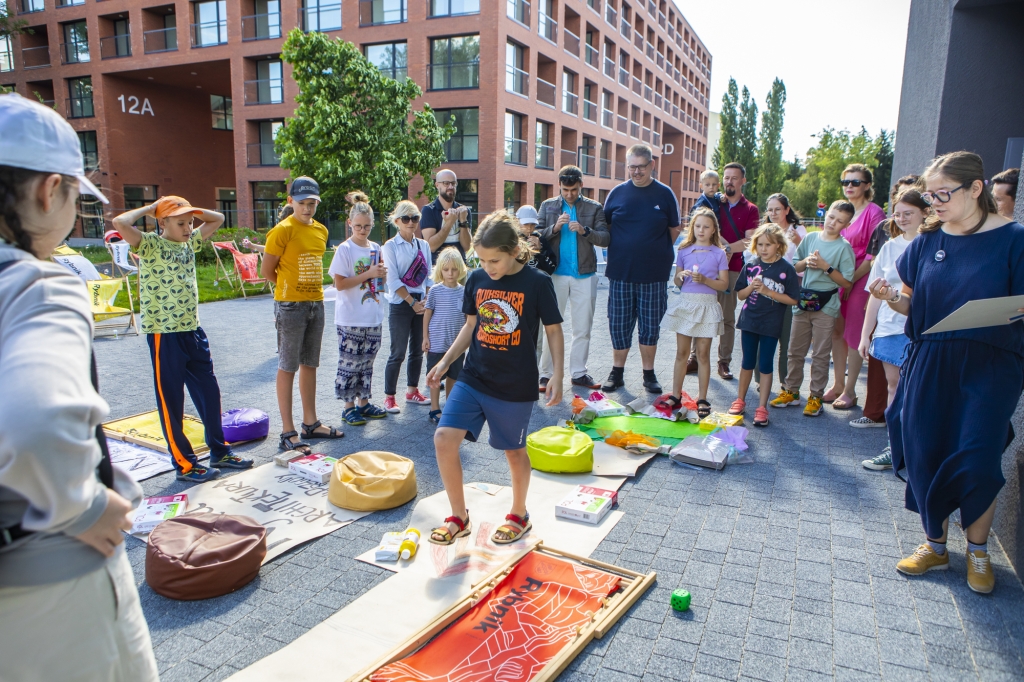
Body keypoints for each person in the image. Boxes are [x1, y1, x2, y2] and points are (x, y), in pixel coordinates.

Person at [0, 93, 158, 680]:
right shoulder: (36, 283)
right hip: (49, 584)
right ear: (48, 191)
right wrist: (85, 503)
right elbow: (35, 419)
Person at [873, 151, 1023, 594]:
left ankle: (978, 551)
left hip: (990, 364)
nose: (933, 203)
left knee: (978, 454)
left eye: (943, 194)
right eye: (929, 195)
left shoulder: (1014, 238)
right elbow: (911, 303)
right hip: (930, 359)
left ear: (976, 189)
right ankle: (935, 545)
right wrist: (890, 298)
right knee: (925, 449)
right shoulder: (925, 243)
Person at [426, 210, 563, 547]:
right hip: (474, 376)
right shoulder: (475, 280)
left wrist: (558, 373)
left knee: (514, 452)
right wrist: (444, 362)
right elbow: (471, 326)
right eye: (483, 260)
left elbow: (554, 331)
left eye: (495, 260)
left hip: (515, 385)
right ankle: (459, 516)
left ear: (515, 250)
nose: (488, 267)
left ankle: (519, 515)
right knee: (443, 438)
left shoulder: (538, 282)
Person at [113, 196, 253, 482]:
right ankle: (186, 464)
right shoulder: (149, 244)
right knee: (171, 400)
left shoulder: (191, 242)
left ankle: (219, 451)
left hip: (193, 331)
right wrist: (151, 210)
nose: (189, 227)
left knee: (209, 392)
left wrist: (193, 209)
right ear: (162, 223)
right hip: (165, 335)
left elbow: (218, 219)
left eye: (190, 222)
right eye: (181, 223)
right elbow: (119, 223)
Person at [262, 177, 344, 453]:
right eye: (302, 203)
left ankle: (311, 423)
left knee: (310, 363)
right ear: (291, 202)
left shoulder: (320, 230)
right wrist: (290, 291)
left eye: (312, 204)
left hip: (315, 303)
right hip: (290, 306)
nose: (307, 209)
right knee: (288, 365)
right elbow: (267, 272)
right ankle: (288, 431)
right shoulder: (282, 230)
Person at [601, 144, 681, 393]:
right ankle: (617, 372)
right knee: (619, 324)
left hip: (654, 276)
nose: (636, 172)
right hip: (621, 273)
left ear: (652, 165)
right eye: (632, 167)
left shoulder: (665, 194)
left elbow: (674, 230)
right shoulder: (616, 194)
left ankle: (649, 374)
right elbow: (607, 228)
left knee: (650, 326)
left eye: (641, 167)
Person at [858, 188, 926, 471]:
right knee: (894, 387)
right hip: (888, 327)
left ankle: (918, 450)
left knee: (918, 390)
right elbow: (874, 293)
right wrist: (866, 334)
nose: (902, 219)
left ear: (925, 212)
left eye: (908, 213)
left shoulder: (933, 243)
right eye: (897, 214)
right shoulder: (889, 247)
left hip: (920, 328)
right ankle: (893, 447)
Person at [770, 201, 856, 416]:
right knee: (794, 350)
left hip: (826, 306)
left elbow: (846, 282)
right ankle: (791, 391)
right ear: (826, 215)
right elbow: (794, 267)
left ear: (847, 224)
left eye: (840, 221)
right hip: (803, 302)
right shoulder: (809, 238)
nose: (833, 223)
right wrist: (806, 262)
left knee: (820, 354)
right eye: (831, 217)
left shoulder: (844, 247)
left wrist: (826, 267)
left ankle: (816, 396)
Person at [537, 165, 610, 392]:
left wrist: (585, 231)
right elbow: (535, 236)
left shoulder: (594, 207)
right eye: (566, 189)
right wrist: (554, 228)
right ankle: (545, 374)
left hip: (584, 274)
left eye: (574, 190)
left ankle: (578, 372)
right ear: (559, 185)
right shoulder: (548, 206)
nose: (570, 194)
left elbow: (606, 238)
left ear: (581, 186)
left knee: (583, 327)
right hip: (555, 274)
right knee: (550, 324)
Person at [826, 164, 886, 410]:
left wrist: (851, 281)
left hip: (861, 277)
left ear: (867, 185)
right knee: (836, 331)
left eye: (856, 182)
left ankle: (850, 390)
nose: (849, 186)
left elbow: (874, 256)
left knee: (853, 334)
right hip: (839, 275)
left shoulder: (874, 212)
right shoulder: (840, 210)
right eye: (846, 182)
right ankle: (838, 383)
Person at [728, 225, 799, 427]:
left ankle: (762, 407)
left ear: (779, 245)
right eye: (760, 244)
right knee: (747, 361)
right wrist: (752, 286)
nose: (764, 248)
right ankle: (740, 400)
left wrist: (769, 292)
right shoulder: (750, 265)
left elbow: (793, 299)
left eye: (768, 244)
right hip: (749, 320)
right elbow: (740, 294)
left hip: (771, 323)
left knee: (766, 363)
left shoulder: (786, 269)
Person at [327, 191, 389, 426]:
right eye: (358, 226)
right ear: (349, 224)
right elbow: (340, 284)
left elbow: (379, 282)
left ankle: (363, 403)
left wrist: (380, 276)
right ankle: (348, 406)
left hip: (372, 314)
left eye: (367, 226)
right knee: (349, 362)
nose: (363, 231)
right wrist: (369, 273)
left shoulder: (375, 247)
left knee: (367, 362)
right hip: (350, 316)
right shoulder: (345, 249)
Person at [663, 207, 728, 418]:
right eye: (698, 226)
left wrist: (706, 281)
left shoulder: (719, 253)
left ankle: (702, 398)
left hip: (707, 306)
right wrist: (680, 275)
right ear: (693, 227)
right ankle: (675, 394)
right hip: (686, 304)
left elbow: (724, 284)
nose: (701, 230)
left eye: (706, 226)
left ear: (713, 230)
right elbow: (676, 280)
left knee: (702, 355)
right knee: (681, 353)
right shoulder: (683, 250)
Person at [382, 200, 434, 413]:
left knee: (417, 350)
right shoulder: (390, 246)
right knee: (398, 352)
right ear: (397, 221)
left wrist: (425, 300)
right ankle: (389, 397)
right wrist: (412, 303)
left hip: (421, 302)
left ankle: (412, 391)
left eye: (415, 218)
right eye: (406, 218)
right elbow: (393, 281)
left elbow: (429, 277)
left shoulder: (424, 245)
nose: (411, 222)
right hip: (401, 304)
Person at [752, 193, 806, 390]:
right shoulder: (765, 231)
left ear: (786, 210)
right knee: (763, 336)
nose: (773, 213)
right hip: (765, 291)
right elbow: (754, 258)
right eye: (770, 209)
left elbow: (807, 260)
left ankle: (786, 381)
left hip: (790, 291)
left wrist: (799, 241)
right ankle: (760, 380)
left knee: (787, 339)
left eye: (778, 209)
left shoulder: (798, 230)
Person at [711, 162, 759, 380]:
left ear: (743, 181)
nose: (729, 181)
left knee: (727, 317)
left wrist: (727, 248)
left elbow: (750, 241)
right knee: (701, 312)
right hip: (707, 267)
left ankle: (724, 361)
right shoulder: (714, 203)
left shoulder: (751, 209)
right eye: (726, 177)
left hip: (732, 269)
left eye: (734, 178)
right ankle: (694, 357)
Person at [423, 247, 467, 425]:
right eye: (446, 269)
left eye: (454, 269)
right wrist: (425, 337)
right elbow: (427, 313)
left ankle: (449, 408)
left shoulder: (464, 291)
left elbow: (467, 318)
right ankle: (434, 408)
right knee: (435, 376)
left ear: (460, 269)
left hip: (456, 344)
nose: (450, 273)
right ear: (440, 269)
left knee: (454, 376)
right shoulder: (435, 290)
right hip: (437, 341)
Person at [419, 169, 471, 262]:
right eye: (446, 183)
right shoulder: (428, 211)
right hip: (437, 270)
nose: (450, 186)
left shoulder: (463, 211)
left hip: (460, 268)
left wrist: (463, 221)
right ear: (437, 185)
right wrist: (450, 222)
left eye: (453, 183)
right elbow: (431, 246)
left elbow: (467, 247)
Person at [515, 205, 556, 275]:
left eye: (532, 224)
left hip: (538, 282)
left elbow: (551, 269)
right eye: (526, 224)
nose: (529, 228)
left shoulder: (540, 239)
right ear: (517, 221)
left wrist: (540, 251)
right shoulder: (512, 240)